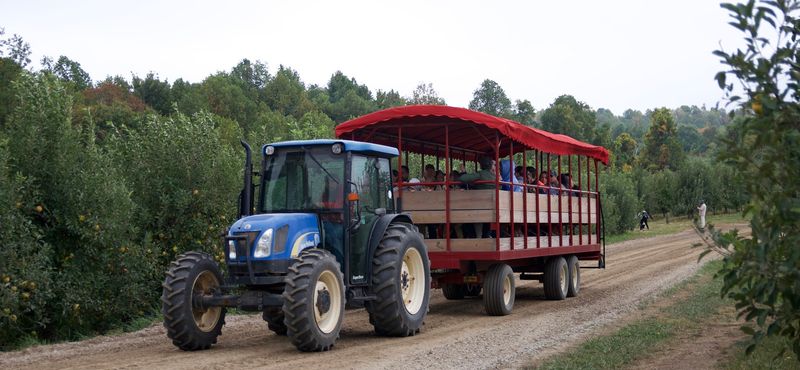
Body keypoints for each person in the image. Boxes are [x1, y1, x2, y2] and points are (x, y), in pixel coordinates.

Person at [458, 156, 496, 237]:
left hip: (479, 206)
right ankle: (485, 236)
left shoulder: (480, 174)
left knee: (465, 219)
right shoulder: (494, 177)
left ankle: (473, 237)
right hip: (492, 206)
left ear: (481, 165)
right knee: (486, 221)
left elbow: (462, 178)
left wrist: (463, 172)